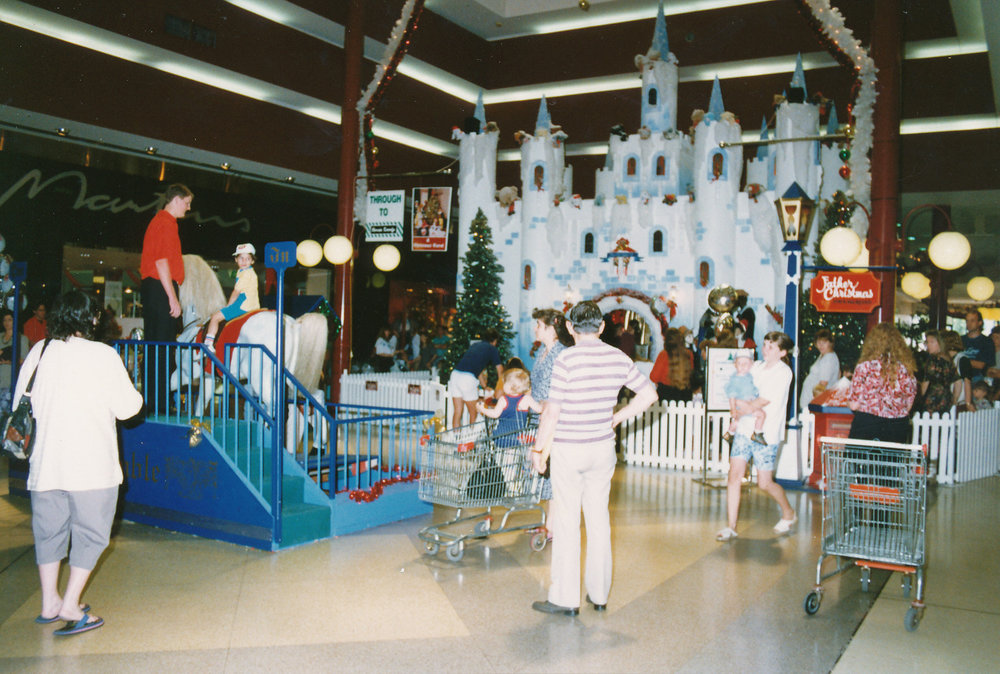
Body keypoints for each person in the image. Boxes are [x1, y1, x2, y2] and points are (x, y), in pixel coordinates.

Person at [16, 290, 143, 636]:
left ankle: (50, 602)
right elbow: (129, 408)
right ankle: (71, 604)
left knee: (49, 533)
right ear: (92, 319)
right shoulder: (103, 355)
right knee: (90, 534)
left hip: (45, 465)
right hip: (91, 466)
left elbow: (19, 404)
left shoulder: (39, 353)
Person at [530, 301, 657, 616]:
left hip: (569, 449)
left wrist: (538, 448)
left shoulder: (567, 359)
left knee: (567, 521)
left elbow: (553, 410)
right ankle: (599, 594)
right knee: (599, 520)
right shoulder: (618, 357)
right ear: (601, 328)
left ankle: (565, 598)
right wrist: (618, 416)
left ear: (571, 328)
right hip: (602, 449)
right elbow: (650, 394)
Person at [716, 332, 797, 542]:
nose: (766, 349)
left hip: (765, 433)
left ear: (782, 352)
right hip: (744, 429)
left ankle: (788, 512)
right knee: (734, 475)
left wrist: (740, 407)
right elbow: (739, 385)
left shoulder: (784, 372)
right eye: (765, 344)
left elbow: (762, 401)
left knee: (764, 483)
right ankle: (730, 526)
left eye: (771, 346)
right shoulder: (756, 366)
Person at [140, 183, 192, 411]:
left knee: (155, 345)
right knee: (162, 345)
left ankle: (153, 400)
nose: (188, 208)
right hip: (161, 287)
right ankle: (159, 403)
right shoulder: (165, 223)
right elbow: (161, 262)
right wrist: (172, 297)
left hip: (154, 288)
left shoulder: (160, 222)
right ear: (177, 200)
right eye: (187, 203)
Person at [847, 323, 917, 443]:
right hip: (896, 428)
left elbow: (854, 405)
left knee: (860, 461)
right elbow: (908, 406)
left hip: (866, 425)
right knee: (890, 462)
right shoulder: (906, 370)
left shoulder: (864, 367)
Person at [204, 243, 259, 350]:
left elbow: (236, 292)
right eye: (241, 258)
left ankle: (208, 344)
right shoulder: (243, 271)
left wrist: (228, 306)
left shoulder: (246, 273)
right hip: (251, 304)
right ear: (236, 260)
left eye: (247, 259)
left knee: (215, 318)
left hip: (243, 305)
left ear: (252, 261)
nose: (244, 261)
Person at [448, 329, 503, 428]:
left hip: (455, 375)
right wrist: (501, 387)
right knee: (474, 412)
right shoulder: (492, 348)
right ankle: (471, 440)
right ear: (495, 341)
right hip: (467, 379)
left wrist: (484, 386)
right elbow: (500, 370)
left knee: (457, 411)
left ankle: (456, 438)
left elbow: (479, 370)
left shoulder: (475, 345)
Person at [476, 368, 541, 440]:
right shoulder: (527, 399)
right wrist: (543, 403)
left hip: (501, 438)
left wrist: (482, 409)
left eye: (505, 383)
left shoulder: (503, 400)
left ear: (511, 386)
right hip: (518, 438)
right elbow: (539, 409)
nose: (503, 385)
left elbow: (495, 414)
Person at [722, 353, 766, 445]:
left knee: (738, 420)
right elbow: (732, 396)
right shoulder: (735, 380)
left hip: (748, 402)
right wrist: (733, 408)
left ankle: (730, 433)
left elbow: (752, 388)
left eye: (745, 364)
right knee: (761, 414)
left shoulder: (748, 376)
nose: (742, 366)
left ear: (751, 365)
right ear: (735, 365)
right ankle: (757, 432)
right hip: (741, 404)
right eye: (739, 363)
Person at [918, 329, 960, 415]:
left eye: (932, 342)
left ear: (940, 343)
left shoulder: (932, 360)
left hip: (932, 399)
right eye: (927, 342)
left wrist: (921, 398)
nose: (928, 345)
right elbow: (958, 382)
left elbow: (926, 382)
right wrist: (955, 399)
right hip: (946, 399)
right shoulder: (948, 359)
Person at [799, 329, 840, 410]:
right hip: (810, 401)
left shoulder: (828, 358)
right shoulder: (825, 355)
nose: (821, 345)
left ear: (830, 343)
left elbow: (822, 385)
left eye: (824, 342)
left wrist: (815, 406)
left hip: (814, 403)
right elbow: (839, 374)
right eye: (818, 342)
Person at [1, 309, 31, 412]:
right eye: (5, 320)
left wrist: (8, 362)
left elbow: (23, 360)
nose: (7, 323)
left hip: (10, 380)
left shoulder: (21, 338)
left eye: (10, 320)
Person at [942, 330, 974, 413]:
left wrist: (968, 403)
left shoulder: (962, 359)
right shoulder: (947, 360)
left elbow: (967, 381)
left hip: (960, 403)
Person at [961, 309, 994, 382]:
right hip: (961, 378)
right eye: (967, 321)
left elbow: (982, 365)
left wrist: (961, 361)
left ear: (980, 323)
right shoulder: (960, 340)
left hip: (977, 378)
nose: (969, 324)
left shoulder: (987, 341)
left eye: (972, 321)